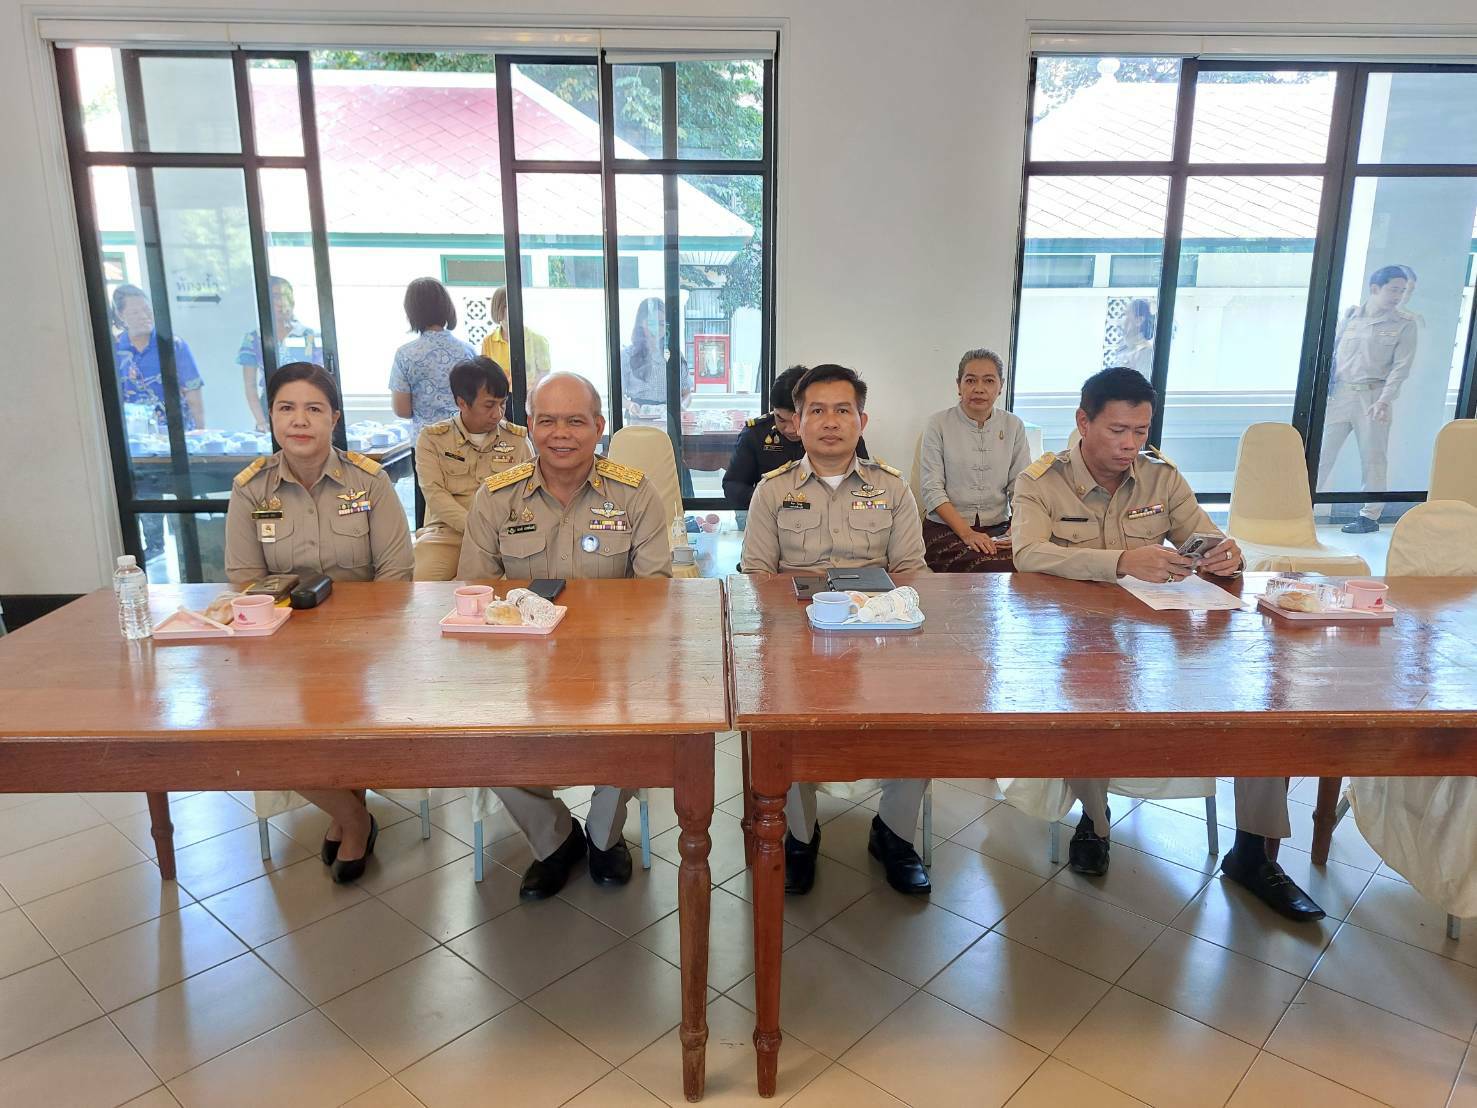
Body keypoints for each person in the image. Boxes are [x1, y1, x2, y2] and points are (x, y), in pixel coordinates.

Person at [1012, 367, 1324, 921]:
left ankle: (1253, 853)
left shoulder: (1161, 477)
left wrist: (1227, 556)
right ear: (1083, 422)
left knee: (1261, 704)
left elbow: (1205, 536)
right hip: (1072, 633)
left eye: (1140, 430)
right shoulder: (1041, 480)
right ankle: (1094, 821)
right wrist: (1120, 561)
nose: (1130, 444)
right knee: (1088, 693)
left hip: (1155, 633)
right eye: (1117, 430)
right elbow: (1028, 553)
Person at [457, 372, 671, 899]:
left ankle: (603, 836)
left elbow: (655, 592)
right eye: (547, 420)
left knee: (641, 726)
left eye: (575, 421)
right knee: (476, 737)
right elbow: (475, 592)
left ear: (599, 426)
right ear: (529, 425)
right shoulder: (497, 497)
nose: (561, 433)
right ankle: (555, 839)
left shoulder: (634, 493)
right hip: (519, 666)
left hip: (613, 661)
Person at [741, 363, 931, 896]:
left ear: (861, 421)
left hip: (880, 640)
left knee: (922, 713)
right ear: (796, 423)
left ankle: (894, 834)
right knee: (779, 717)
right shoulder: (772, 491)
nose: (830, 422)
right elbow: (756, 577)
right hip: (797, 638)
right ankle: (799, 836)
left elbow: (913, 572)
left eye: (842, 410)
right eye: (817, 411)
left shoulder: (892, 488)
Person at [225, 362, 413, 884]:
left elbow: (396, 574)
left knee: (349, 715)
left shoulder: (369, 481)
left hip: (365, 646)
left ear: (334, 417)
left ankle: (348, 817)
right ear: (271, 417)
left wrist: (358, 643)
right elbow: (244, 579)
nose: (299, 420)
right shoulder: (251, 489)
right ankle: (353, 815)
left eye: (313, 409)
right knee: (261, 739)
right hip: (281, 647)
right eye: (286, 408)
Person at [1317, 265, 1420, 534]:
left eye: (1402, 291)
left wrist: (1384, 400)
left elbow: (1401, 368)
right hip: (1341, 394)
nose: (1398, 296)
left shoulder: (1404, 324)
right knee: (1321, 454)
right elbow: (1332, 355)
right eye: (1393, 290)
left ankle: (1369, 516)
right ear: (1375, 288)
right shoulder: (1351, 317)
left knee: (1373, 458)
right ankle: (1301, 506)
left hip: (1373, 397)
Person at [413, 357, 532, 581]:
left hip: (505, 534)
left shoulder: (517, 440)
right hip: (448, 533)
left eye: (502, 403)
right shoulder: (432, 439)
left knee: (520, 587)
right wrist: (477, 527)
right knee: (423, 586)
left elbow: (529, 492)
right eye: (489, 405)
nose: (498, 413)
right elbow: (435, 494)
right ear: (462, 403)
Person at [918, 349, 1032, 572]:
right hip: (946, 529)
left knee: (1027, 562)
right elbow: (932, 489)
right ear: (959, 385)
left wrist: (1015, 528)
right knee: (989, 567)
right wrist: (968, 533)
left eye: (989, 381)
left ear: (1001, 386)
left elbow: (1021, 487)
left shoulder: (1013, 426)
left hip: (999, 528)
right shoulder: (938, 424)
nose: (979, 388)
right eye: (970, 380)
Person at [722, 364, 869, 510]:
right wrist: (771, 499)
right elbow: (733, 485)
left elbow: (863, 483)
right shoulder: (756, 433)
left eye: (795, 421)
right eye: (781, 419)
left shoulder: (839, 436)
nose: (791, 429)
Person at [389, 277, 478, 437]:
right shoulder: (468, 351)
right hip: (464, 437)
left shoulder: (405, 355)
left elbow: (401, 410)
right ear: (447, 307)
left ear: (412, 312)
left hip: (426, 441)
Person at [112, 284, 206, 432]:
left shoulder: (173, 346)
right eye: (135, 312)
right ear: (120, 315)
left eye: (147, 310)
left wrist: (200, 431)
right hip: (132, 437)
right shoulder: (115, 350)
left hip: (176, 433)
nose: (144, 316)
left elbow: (193, 392)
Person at [238, 276, 322, 433]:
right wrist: (261, 422)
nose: (282, 302)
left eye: (286, 296)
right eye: (276, 296)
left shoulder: (309, 336)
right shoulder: (254, 338)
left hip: (306, 401)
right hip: (271, 404)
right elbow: (250, 386)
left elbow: (321, 379)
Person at [620, 297, 693, 426]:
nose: (657, 329)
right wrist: (630, 405)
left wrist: (681, 407)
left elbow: (687, 394)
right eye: (652, 323)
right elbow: (617, 396)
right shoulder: (627, 355)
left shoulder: (675, 355)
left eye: (662, 324)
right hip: (638, 422)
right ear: (641, 323)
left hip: (669, 421)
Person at [480, 286, 553, 393]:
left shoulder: (538, 340)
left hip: (529, 396)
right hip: (500, 397)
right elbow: (485, 376)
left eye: (516, 304)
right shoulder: (488, 341)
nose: (512, 309)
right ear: (497, 308)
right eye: (506, 305)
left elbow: (544, 376)